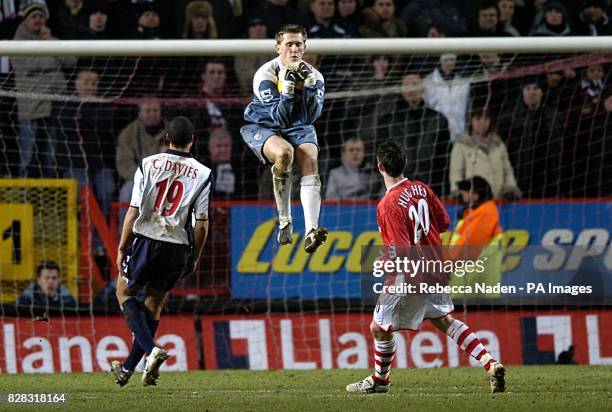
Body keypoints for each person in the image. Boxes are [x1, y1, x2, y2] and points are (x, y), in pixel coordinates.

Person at [345, 139, 505, 394]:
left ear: (379, 167)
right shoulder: (421, 188)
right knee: (444, 320)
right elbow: (443, 222)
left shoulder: (387, 205)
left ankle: (380, 381)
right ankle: (490, 362)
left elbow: (401, 249)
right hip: (436, 268)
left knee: (379, 327)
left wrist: (384, 260)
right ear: (405, 163)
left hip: (410, 274)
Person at [112, 117, 211, 387]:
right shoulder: (203, 173)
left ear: (166, 137)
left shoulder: (148, 164)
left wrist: (122, 247)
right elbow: (201, 223)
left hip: (146, 239)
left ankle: (151, 349)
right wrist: (195, 256)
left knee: (123, 292)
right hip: (178, 247)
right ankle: (129, 369)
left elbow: (133, 209)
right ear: (193, 140)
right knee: (155, 302)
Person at [240, 24, 328, 253]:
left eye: (298, 44)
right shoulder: (265, 74)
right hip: (264, 125)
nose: (294, 49)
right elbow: (278, 118)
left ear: (305, 47)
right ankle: (284, 221)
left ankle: (311, 231)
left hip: (297, 125)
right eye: (289, 44)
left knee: (310, 159)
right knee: (285, 153)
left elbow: (311, 117)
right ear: (278, 47)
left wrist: (308, 89)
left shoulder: (315, 76)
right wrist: (288, 90)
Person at [449, 108, 521, 200]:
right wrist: (459, 194)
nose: (482, 123)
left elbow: (507, 171)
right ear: (471, 121)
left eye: (486, 119)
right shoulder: (461, 145)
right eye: (478, 119)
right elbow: (456, 174)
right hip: (474, 201)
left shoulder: (499, 145)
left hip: (499, 203)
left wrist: (511, 189)